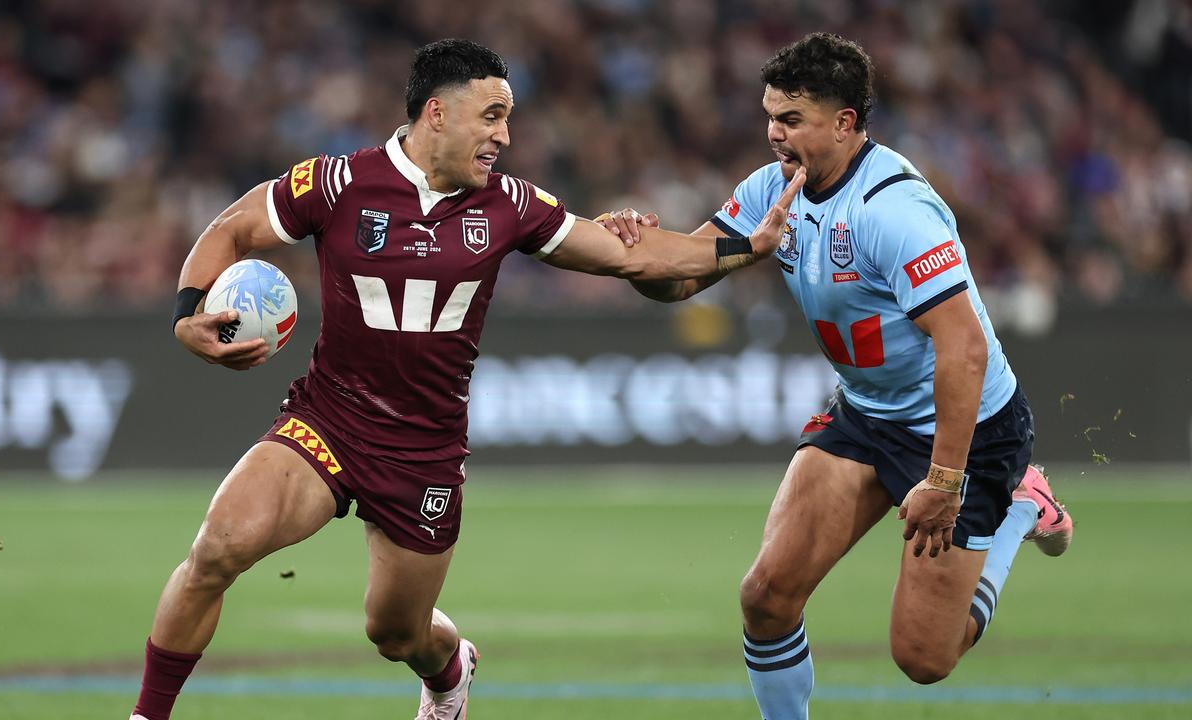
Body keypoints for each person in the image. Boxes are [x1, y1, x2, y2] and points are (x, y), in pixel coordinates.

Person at [130, 38, 803, 720]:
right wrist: (188, 315)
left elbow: (633, 258)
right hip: (327, 423)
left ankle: (450, 669)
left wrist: (746, 245)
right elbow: (232, 227)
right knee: (218, 546)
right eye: (491, 116)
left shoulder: (512, 205)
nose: (504, 136)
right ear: (436, 115)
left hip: (424, 451)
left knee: (394, 633)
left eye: (506, 119)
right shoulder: (339, 183)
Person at [595, 32, 1074, 720]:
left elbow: (964, 352)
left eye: (791, 120)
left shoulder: (895, 210)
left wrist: (944, 481)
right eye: (770, 115)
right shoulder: (772, 188)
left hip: (964, 432)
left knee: (924, 659)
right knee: (765, 596)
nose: (773, 133)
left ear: (845, 122)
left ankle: (1022, 504)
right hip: (866, 415)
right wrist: (634, 252)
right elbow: (682, 279)